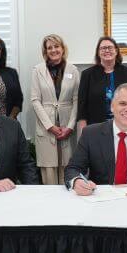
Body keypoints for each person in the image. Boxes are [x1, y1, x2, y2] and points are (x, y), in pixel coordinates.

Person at [65, 83, 127, 197]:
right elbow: (73, 168)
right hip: (100, 197)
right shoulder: (90, 133)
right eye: (123, 103)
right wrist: (77, 181)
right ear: (112, 106)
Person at [30, 34, 80, 185]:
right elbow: (35, 100)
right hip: (46, 125)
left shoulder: (73, 70)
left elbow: (77, 100)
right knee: (49, 168)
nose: (53, 50)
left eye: (56, 46)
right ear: (45, 51)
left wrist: (70, 126)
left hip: (67, 124)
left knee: (68, 166)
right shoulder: (37, 70)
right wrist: (49, 126)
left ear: (63, 48)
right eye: (49, 48)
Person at [77, 36, 127, 129]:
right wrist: (83, 128)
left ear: (116, 51)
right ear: (98, 53)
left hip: (123, 125)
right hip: (95, 126)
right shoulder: (87, 74)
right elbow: (82, 105)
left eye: (110, 47)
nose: (107, 50)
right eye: (103, 48)